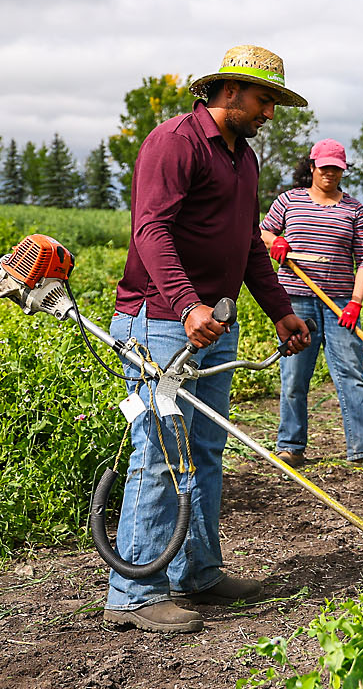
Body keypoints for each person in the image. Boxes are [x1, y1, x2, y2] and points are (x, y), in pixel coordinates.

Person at [104, 45, 313, 634]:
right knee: (161, 453)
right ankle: (135, 592)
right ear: (229, 92)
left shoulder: (242, 160)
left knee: (206, 453)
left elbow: (248, 243)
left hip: (214, 323)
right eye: (264, 99)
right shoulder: (174, 142)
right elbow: (151, 229)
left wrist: (279, 311)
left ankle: (197, 573)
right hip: (162, 321)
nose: (270, 113)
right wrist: (185, 303)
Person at [260, 139, 363, 469]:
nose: (330, 172)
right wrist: (277, 241)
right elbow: (260, 233)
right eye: (324, 166)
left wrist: (355, 303)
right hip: (294, 301)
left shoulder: (354, 209)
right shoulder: (289, 201)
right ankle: (290, 446)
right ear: (312, 167)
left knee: (351, 374)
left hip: (340, 305)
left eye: (336, 168)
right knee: (293, 376)